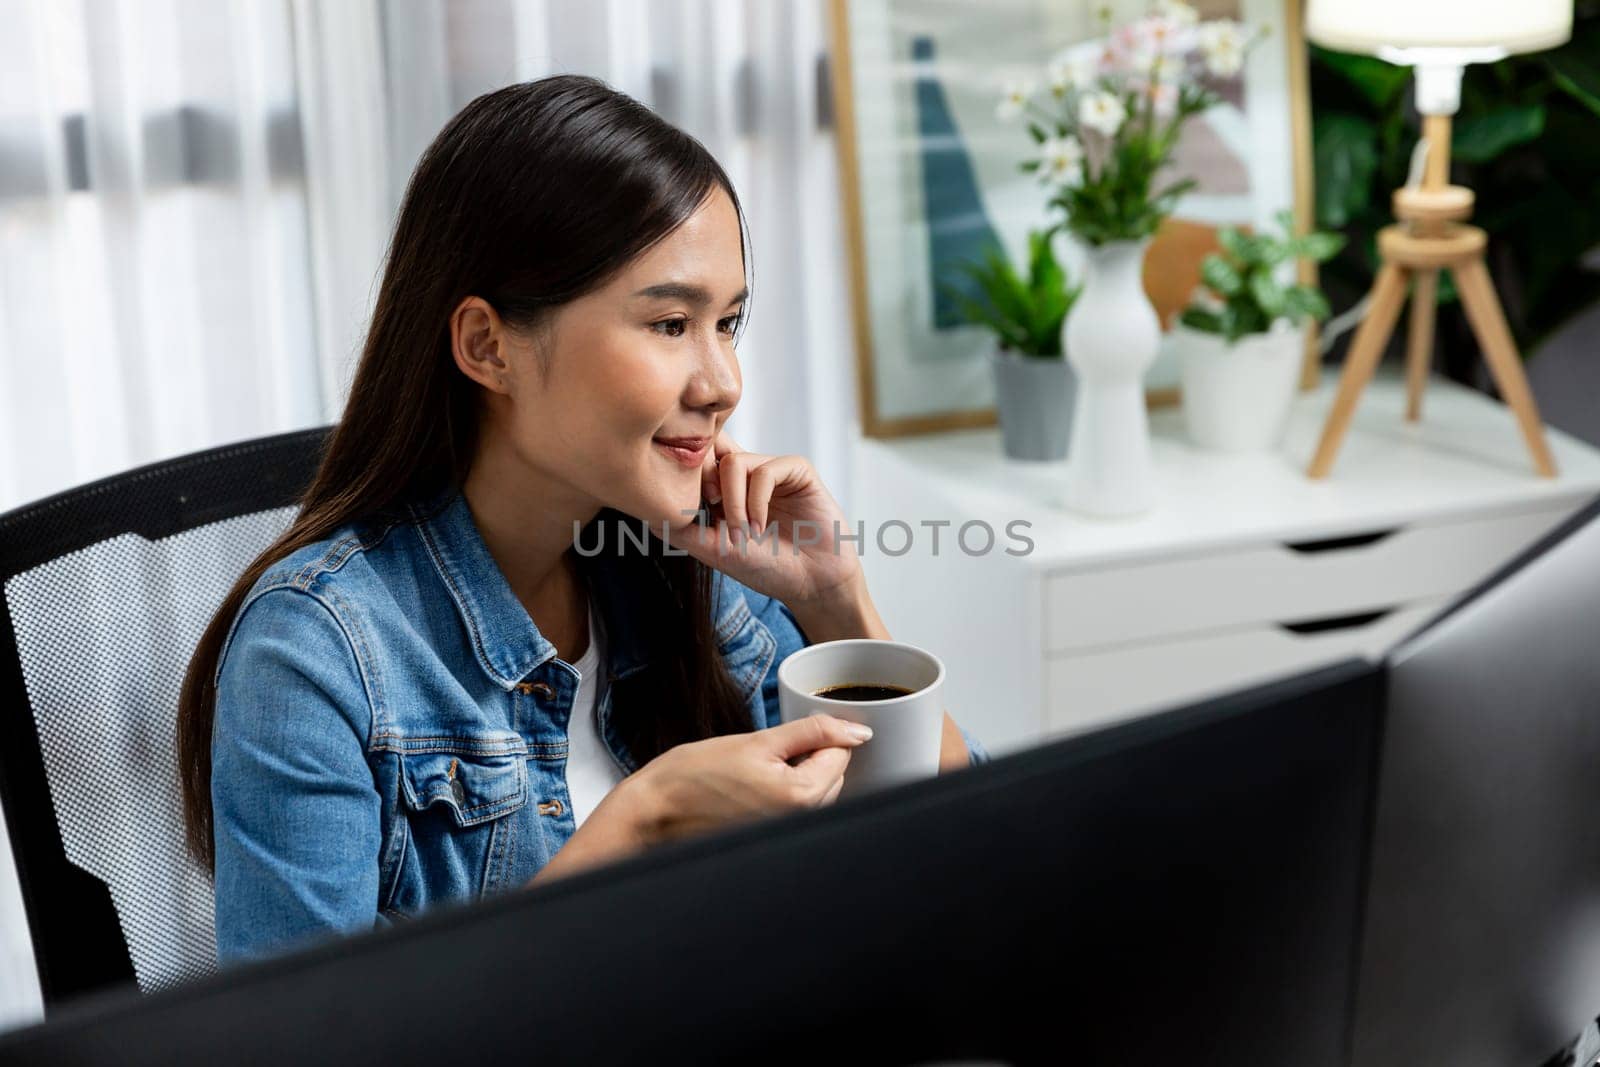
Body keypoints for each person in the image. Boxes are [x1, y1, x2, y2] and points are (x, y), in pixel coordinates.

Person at [174, 74, 988, 967]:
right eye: (672, 323)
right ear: (488, 346)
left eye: (729, 324)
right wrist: (642, 821)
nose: (721, 383)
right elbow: (298, 1044)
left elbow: (972, 858)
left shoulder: (681, 570)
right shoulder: (316, 655)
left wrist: (836, 601)